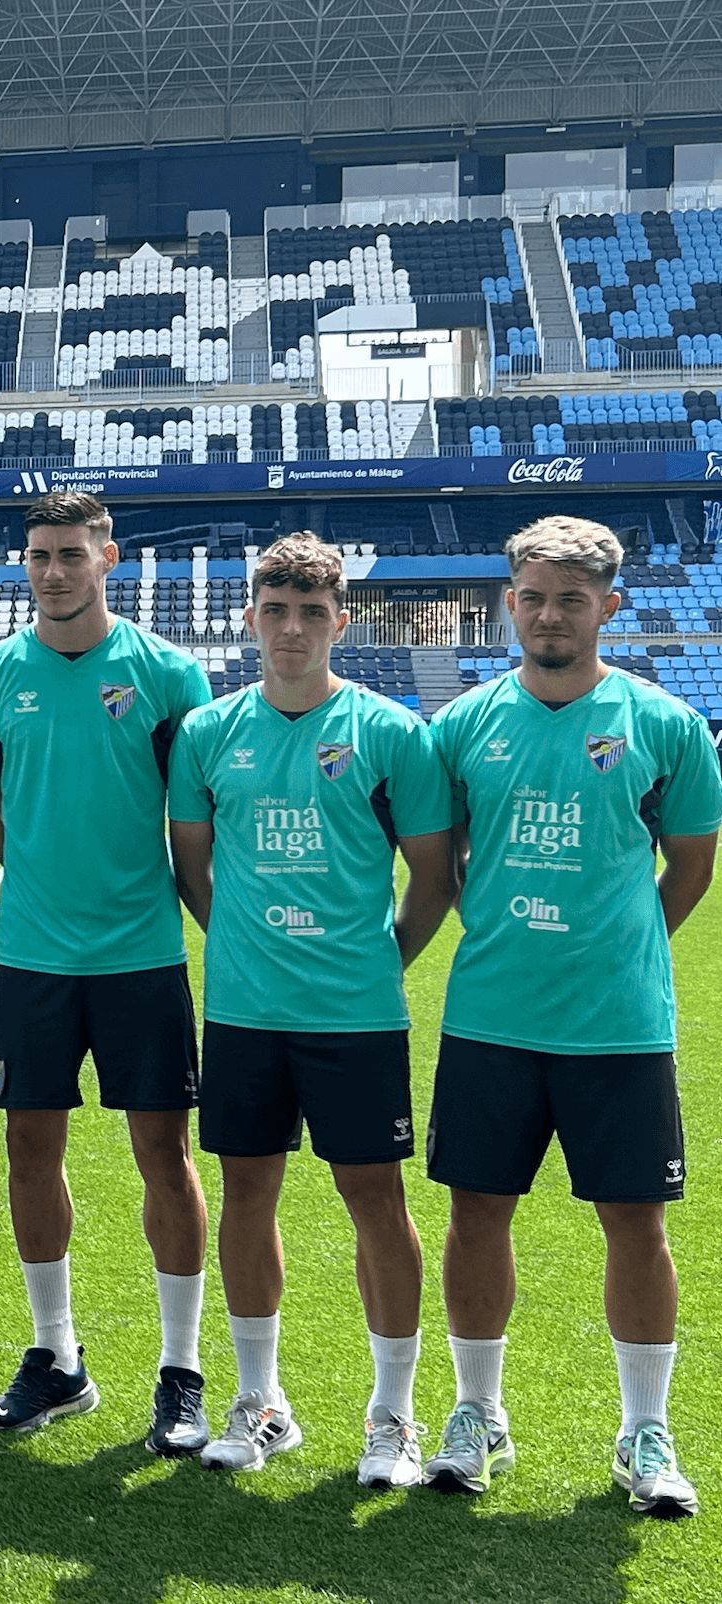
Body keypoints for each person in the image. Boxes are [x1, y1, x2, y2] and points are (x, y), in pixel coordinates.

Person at [422, 516, 718, 1517]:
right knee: (475, 1210)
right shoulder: (460, 724)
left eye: (570, 599)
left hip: (617, 1024)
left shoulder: (663, 724)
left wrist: (617, 940)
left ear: (607, 606)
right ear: (509, 601)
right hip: (490, 1016)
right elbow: (445, 856)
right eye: (533, 596)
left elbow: (687, 867)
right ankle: (474, 1409)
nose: (549, 615)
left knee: (633, 1221)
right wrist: (503, 927)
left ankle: (644, 1429)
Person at [167, 533, 454, 1483]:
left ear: (340, 619)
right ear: (251, 618)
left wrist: (379, 961)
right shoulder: (210, 734)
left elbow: (432, 877)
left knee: (374, 1199)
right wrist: (244, 949)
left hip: (356, 1016)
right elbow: (193, 872)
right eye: (275, 611)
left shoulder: (391, 733)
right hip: (247, 1013)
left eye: (311, 612)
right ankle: (260, 1401)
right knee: (248, 1194)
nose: (292, 629)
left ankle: (393, 1415)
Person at [0, 490, 215, 1453]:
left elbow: (195, 816)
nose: (53, 571)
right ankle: (56, 1356)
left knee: (165, 1156)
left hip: (141, 955)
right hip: (30, 956)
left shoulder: (167, 675)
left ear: (109, 555)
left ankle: (180, 1369)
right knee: (31, 1152)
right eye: (38, 555)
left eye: (71, 553)